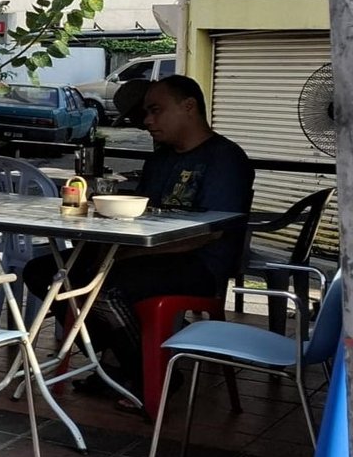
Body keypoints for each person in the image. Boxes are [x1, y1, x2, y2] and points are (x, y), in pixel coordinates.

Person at [20, 75, 254, 404]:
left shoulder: (225, 159)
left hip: (200, 263)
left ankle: (150, 376)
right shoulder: (160, 160)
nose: (147, 121)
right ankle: (116, 358)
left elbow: (210, 232)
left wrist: (125, 255)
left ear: (188, 107)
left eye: (156, 110)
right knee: (44, 273)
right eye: (146, 112)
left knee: (105, 288)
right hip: (143, 254)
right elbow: (141, 214)